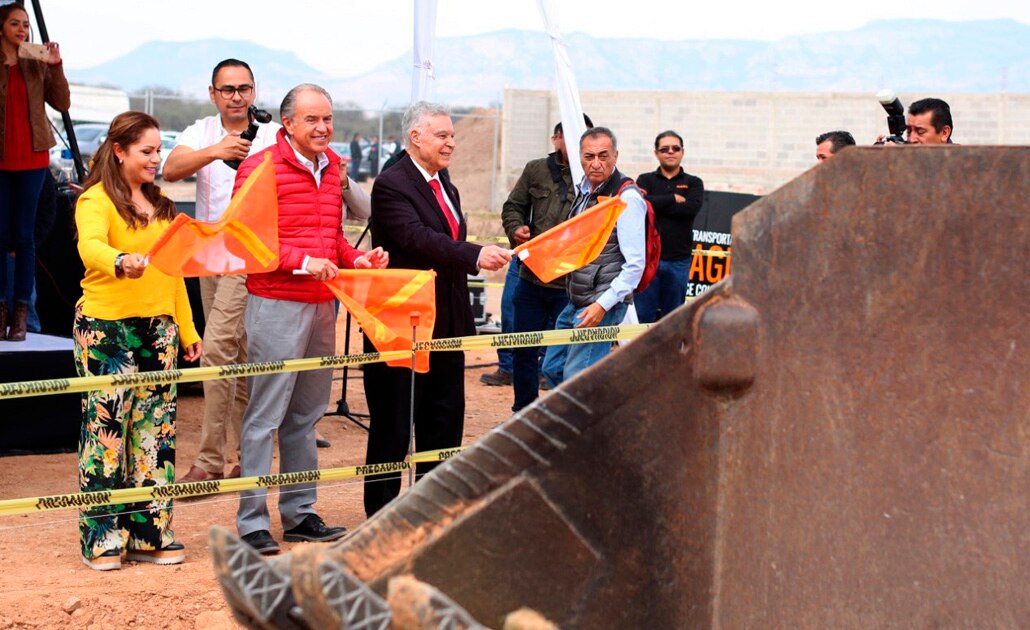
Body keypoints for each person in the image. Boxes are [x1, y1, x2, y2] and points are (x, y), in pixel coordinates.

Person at [234, 84, 388, 555]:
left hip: (324, 303)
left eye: (328, 119)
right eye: (312, 120)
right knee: (265, 416)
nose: (323, 128)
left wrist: (354, 259)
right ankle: (252, 523)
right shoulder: (258, 168)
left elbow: (333, 238)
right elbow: (246, 240)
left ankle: (300, 514)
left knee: (304, 417)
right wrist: (303, 263)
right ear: (288, 125)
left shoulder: (335, 168)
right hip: (277, 303)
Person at [363, 101, 510, 517]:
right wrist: (475, 254)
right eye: (442, 135)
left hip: (447, 324)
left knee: (443, 424)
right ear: (416, 137)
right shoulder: (391, 184)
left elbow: (444, 239)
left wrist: (471, 255)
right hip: (403, 325)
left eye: (452, 135)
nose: (451, 142)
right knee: (394, 427)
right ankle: (382, 518)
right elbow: (418, 239)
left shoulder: (446, 183)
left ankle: (433, 516)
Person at [73, 111, 201, 571]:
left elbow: (174, 274)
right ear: (120, 151)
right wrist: (120, 259)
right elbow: (91, 247)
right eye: (146, 151)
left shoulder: (164, 206)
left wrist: (186, 330)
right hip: (106, 329)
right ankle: (101, 535)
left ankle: (150, 531)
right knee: (107, 433)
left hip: (159, 330)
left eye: (157, 150)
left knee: (155, 433)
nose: (155, 159)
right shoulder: (94, 201)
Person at [163, 58, 280, 485]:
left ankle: (209, 459)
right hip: (209, 255)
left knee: (217, 349)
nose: (236, 96)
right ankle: (249, 456)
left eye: (244, 89)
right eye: (227, 89)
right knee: (238, 353)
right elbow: (170, 169)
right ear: (213, 93)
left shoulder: (272, 133)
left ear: (254, 91)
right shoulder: (200, 132)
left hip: (252, 254)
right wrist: (217, 151)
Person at [501, 116, 593, 411]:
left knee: (562, 356)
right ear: (556, 139)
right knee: (524, 349)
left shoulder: (594, 177)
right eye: (571, 135)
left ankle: (557, 416)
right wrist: (516, 229)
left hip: (570, 285)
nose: (579, 143)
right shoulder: (536, 170)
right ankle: (524, 412)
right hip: (531, 277)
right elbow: (513, 207)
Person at [542, 127, 645, 385]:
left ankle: (585, 424)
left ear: (615, 157)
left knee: (578, 380)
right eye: (589, 157)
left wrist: (602, 305)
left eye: (603, 156)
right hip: (577, 298)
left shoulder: (626, 199)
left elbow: (635, 265)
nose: (596, 163)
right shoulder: (586, 191)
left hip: (600, 303)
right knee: (553, 368)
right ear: (580, 158)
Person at [0, 3, 69, 341]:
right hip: (1, 159)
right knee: (0, 236)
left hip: (32, 158)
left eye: (26, 25)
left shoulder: (35, 61)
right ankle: (1, 310)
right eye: (15, 24)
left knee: (24, 238)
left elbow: (62, 103)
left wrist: (55, 67)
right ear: (1, 27)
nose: (23, 30)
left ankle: (22, 315)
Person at [634, 130, 704, 323]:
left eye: (675, 148)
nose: (670, 152)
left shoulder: (693, 182)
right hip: (648, 261)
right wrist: (673, 198)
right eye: (665, 149)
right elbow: (640, 205)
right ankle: (644, 355)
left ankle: (670, 355)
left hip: (678, 261)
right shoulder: (645, 180)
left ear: (682, 152)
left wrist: (656, 205)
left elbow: (690, 209)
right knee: (643, 318)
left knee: (673, 320)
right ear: (656, 153)